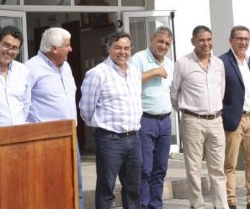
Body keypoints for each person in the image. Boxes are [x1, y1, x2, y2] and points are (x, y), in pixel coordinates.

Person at [79, 31, 142, 209]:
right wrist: (103, 127)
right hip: (110, 140)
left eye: (126, 48)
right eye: (118, 48)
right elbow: (86, 109)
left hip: (134, 138)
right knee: (106, 190)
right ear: (109, 49)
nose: (122, 52)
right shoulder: (97, 73)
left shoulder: (135, 72)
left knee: (133, 189)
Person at [25, 27, 83, 209]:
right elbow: (23, 105)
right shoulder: (30, 69)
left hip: (70, 137)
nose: (71, 49)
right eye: (67, 45)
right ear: (54, 49)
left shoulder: (66, 67)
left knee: (76, 186)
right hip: (45, 139)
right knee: (48, 188)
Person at [171, 25, 228, 209]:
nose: (206, 43)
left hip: (216, 121)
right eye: (202, 40)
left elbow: (221, 90)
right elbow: (174, 93)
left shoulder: (219, 63)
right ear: (193, 41)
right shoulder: (183, 63)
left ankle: (221, 205)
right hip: (192, 121)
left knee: (218, 168)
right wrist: (188, 111)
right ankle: (197, 205)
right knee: (194, 168)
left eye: (209, 39)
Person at [220, 26, 250, 209]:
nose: (243, 42)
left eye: (246, 39)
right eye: (239, 38)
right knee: (229, 163)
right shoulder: (222, 62)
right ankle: (230, 201)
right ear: (231, 40)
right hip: (232, 120)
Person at [130, 26, 174, 209]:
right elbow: (130, 80)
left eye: (167, 43)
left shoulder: (170, 63)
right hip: (145, 120)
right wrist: (155, 71)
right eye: (160, 41)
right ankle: (143, 205)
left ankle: (156, 205)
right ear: (151, 40)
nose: (163, 46)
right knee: (145, 169)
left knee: (160, 169)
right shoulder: (139, 58)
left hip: (165, 121)